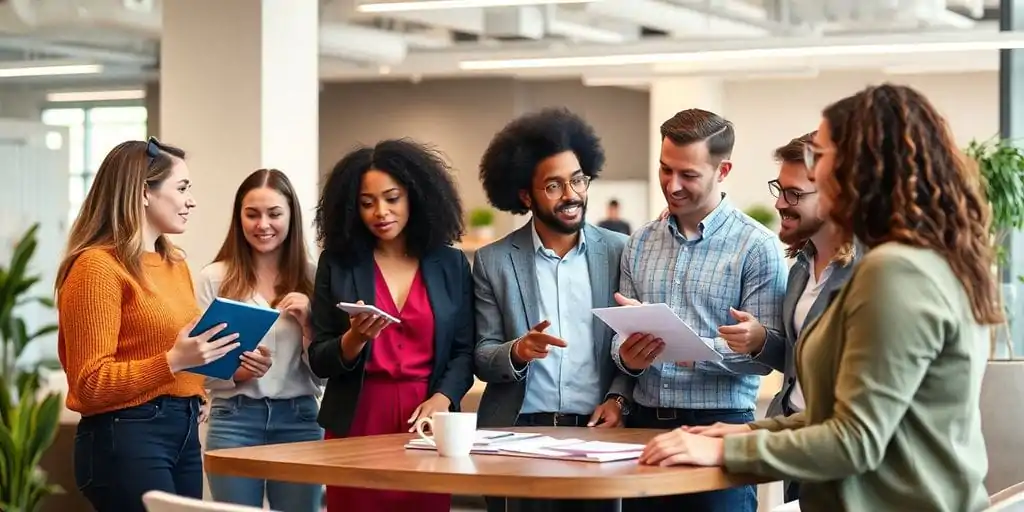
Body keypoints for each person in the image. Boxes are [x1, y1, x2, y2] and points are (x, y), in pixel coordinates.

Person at [640, 84, 999, 512]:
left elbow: (855, 440)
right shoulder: (923, 261)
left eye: (821, 156)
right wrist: (745, 434)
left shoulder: (895, 272)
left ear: (860, 168)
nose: (815, 169)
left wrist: (725, 453)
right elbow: (843, 416)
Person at [614, 108, 787, 512]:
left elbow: (764, 359)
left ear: (722, 170)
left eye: (688, 175)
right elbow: (617, 349)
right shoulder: (639, 242)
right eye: (664, 170)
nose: (672, 186)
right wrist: (628, 356)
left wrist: (692, 350)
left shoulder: (757, 247)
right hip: (644, 429)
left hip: (720, 426)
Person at [55, 137, 241, 511]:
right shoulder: (97, 267)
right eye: (182, 188)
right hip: (125, 434)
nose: (191, 200)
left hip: (184, 430)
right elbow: (89, 384)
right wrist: (173, 361)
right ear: (143, 192)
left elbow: (175, 352)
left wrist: (198, 387)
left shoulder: (174, 264)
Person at [474, 107, 633, 512]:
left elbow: (632, 347)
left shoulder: (618, 253)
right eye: (554, 186)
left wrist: (617, 399)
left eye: (578, 180)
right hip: (519, 435)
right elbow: (481, 353)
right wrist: (516, 351)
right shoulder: (494, 260)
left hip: (598, 437)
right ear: (526, 195)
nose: (571, 195)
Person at [308, 138, 475, 512]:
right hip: (358, 417)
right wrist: (354, 338)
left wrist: (442, 399)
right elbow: (319, 358)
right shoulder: (338, 263)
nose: (380, 212)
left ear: (416, 196)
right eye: (367, 203)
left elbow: (464, 351)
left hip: (427, 421)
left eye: (392, 198)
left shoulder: (450, 265)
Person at [717, 132, 859, 503]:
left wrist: (737, 442)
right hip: (796, 436)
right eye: (779, 189)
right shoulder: (800, 266)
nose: (780, 202)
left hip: (838, 451)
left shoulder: (867, 274)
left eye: (794, 193)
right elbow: (800, 361)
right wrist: (762, 341)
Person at [197, 169, 323, 511]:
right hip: (233, 419)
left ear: (291, 217)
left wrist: (310, 326)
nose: (262, 224)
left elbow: (324, 374)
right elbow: (197, 369)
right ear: (239, 218)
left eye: (274, 214)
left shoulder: (314, 277)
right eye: (252, 214)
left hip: (299, 420)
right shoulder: (215, 278)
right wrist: (241, 373)